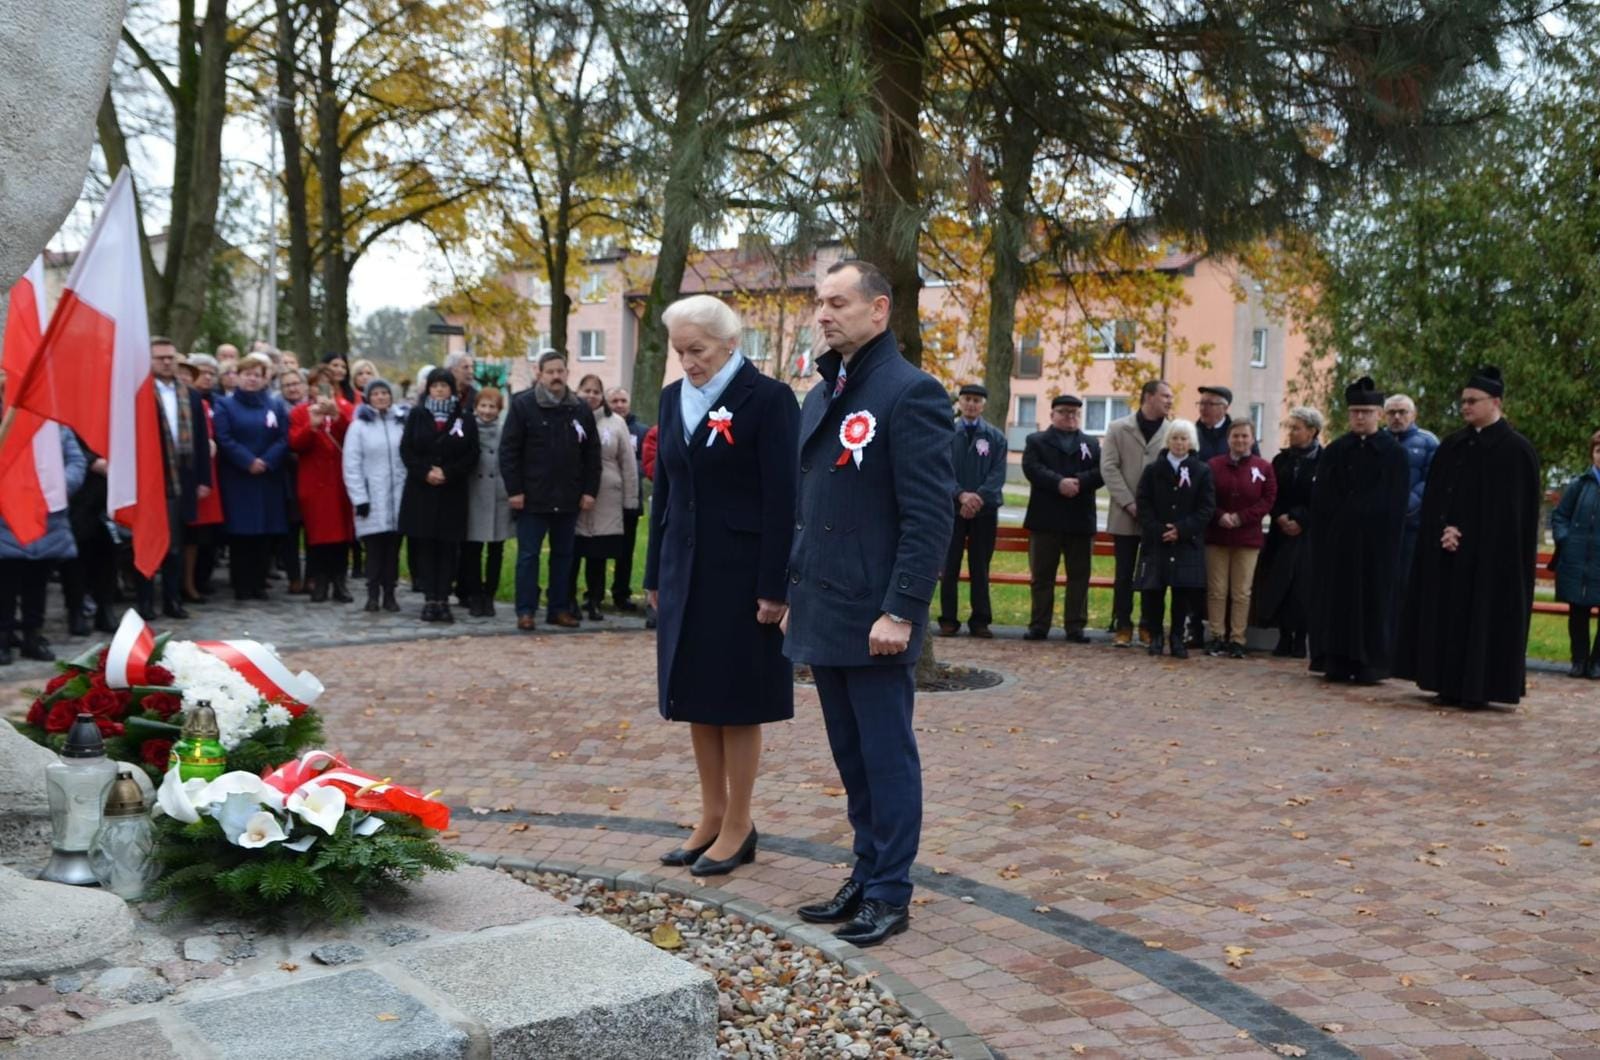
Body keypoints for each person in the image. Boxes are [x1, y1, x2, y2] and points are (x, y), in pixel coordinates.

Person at [785, 260, 954, 947]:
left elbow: (927, 514)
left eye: (838, 302)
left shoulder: (910, 392)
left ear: (879, 311)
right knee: (852, 757)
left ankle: (891, 890)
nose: (824, 314)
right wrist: (793, 590)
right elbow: (812, 506)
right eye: (819, 303)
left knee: (886, 756)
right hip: (826, 605)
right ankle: (865, 869)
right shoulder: (826, 392)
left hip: (876, 612)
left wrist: (903, 607)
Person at [644, 294, 799, 878]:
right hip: (685, 572)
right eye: (679, 351)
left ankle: (740, 821)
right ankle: (710, 815)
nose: (687, 362)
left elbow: (783, 498)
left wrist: (775, 585)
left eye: (698, 350)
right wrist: (655, 571)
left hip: (742, 575)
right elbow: (667, 492)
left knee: (737, 701)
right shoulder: (671, 398)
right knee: (695, 696)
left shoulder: (770, 399)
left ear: (731, 343)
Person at [1395, 367, 1541, 708]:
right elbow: (1437, 498)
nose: (1465, 407)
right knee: (1448, 616)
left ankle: (1481, 687)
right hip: (1447, 552)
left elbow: (1513, 515)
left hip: (1491, 560)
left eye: (1473, 401)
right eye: (1462, 401)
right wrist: (1444, 529)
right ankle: (1444, 681)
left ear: (1496, 402)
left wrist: (1469, 534)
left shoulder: (1516, 451)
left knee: (1482, 619)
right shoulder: (1453, 445)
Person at [1308, 377, 1409, 683]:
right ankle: (1335, 660)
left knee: (1372, 601)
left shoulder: (1394, 454)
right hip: (1338, 543)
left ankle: (1371, 663)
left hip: (1375, 545)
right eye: (1355, 412)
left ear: (1378, 414)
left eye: (1366, 411)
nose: (1360, 417)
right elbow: (1322, 498)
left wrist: (1368, 517)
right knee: (1336, 602)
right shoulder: (1336, 451)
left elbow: (1397, 501)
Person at [500, 351, 600, 631]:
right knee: (528, 556)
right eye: (551, 372)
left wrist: (590, 491)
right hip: (532, 497)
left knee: (563, 556)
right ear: (539, 374)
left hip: (568, 497)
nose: (556, 376)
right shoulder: (523, 405)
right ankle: (526, 610)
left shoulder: (579, 408)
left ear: (567, 373)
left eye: (561, 371)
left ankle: (558, 608)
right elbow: (509, 451)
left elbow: (592, 453)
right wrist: (515, 490)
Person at [137, 337, 212, 620]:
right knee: (147, 542)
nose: (167, 362)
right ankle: (146, 601)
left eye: (170, 357)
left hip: (181, 477)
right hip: (149, 477)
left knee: (176, 543)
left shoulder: (190, 394)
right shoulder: (140, 393)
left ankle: (173, 599)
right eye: (160, 358)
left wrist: (204, 478)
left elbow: (202, 441)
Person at [0, 420, 85, 665]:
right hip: (7, 517)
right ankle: (4, 637)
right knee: (5, 584)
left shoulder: (56, 426)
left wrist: (56, 486)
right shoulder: (7, 421)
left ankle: (32, 636)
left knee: (36, 584)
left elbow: (76, 462)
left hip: (48, 517)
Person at [1020, 394, 1102, 642]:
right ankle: (1039, 624)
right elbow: (1032, 468)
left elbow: (1101, 472)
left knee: (1079, 576)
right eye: (1065, 412)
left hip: (1080, 518)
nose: (1070, 417)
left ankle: (1075, 625)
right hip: (1046, 519)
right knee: (1042, 576)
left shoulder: (1091, 443)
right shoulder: (1036, 441)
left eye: (1075, 413)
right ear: (1052, 414)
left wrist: (1080, 481)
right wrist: (1059, 483)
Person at [399, 368, 479, 622]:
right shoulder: (417, 415)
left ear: (452, 389)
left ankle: (444, 598)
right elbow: (407, 450)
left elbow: (472, 454)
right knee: (425, 547)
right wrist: (425, 472)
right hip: (422, 492)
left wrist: (448, 472)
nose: (440, 390)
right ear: (428, 389)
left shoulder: (464, 418)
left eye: (445, 385)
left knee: (447, 548)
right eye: (435, 386)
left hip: (451, 492)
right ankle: (429, 598)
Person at [211, 353, 292, 600]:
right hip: (239, 478)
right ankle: (242, 584)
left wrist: (267, 461)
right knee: (242, 534)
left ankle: (260, 582)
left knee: (264, 534)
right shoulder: (226, 405)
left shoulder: (275, 405)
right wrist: (248, 461)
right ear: (237, 377)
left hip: (267, 478)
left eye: (257, 375)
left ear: (265, 379)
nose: (252, 380)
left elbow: (283, 437)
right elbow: (224, 438)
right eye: (247, 374)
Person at [1133, 419, 1215, 659]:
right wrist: (1159, 530)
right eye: (1175, 438)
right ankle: (1156, 636)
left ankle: (1177, 637)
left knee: (1182, 594)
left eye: (1184, 439)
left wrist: (1181, 529)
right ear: (1167, 441)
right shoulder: (1152, 470)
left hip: (1186, 542)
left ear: (1191, 443)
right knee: (1154, 593)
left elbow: (1206, 507)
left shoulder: (1202, 471)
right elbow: (1144, 503)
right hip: (1156, 541)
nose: (1179, 443)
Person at [1101, 380, 1173, 646]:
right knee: (1123, 574)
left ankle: (1148, 625)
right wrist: (1130, 504)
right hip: (1124, 515)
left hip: (1156, 518)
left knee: (1153, 574)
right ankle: (1123, 625)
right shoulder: (1118, 428)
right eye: (1165, 396)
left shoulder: (1170, 432)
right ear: (1149, 397)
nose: (1169, 401)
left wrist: (1153, 511)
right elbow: (1109, 468)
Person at [1251, 407, 1323, 658]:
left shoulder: (1324, 462)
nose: (1291, 433)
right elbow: (1271, 492)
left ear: (1312, 431)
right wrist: (1280, 516)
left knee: (1303, 586)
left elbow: (1324, 499)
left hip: (1309, 534)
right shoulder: (1281, 461)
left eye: (1296, 428)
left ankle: (1300, 636)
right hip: (1281, 531)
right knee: (1279, 583)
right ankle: (1283, 635)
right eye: (1289, 427)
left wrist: (1302, 520)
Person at [936, 383, 1007, 638]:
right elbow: (941, 470)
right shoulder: (946, 434)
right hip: (951, 509)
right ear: (960, 402)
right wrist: (960, 495)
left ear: (983, 405)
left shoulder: (995, 437)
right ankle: (948, 619)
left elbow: (998, 473)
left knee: (980, 566)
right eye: (967, 399)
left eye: (977, 400)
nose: (971, 404)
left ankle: (980, 620)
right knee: (949, 566)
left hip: (984, 512)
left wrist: (977, 498)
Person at [1204, 420, 1276, 658]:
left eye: (1245, 436)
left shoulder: (1263, 468)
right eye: (1236, 436)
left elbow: (1268, 499)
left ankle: (1237, 638)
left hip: (1247, 538)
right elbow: (1205, 496)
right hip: (1218, 536)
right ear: (1228, 439)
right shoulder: (1213, 466)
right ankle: (1216, 636)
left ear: (1252, 439)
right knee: (1217, 590)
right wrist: (1220, 515)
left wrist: (1242, 517)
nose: (1240, 440)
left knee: (1241, 592)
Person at [570, 373, 639, 621]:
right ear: (577, 391)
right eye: (586, 390)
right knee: (573, 551)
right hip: (575, 494)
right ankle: (568, 599)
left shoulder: (616, 423)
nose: (591, 395)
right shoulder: (569, 417)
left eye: (596, 391)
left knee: (597, 553)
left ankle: (594, 600)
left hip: (607, 497)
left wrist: (631, 501)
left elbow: (628, 464)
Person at [342, 377, 409, 612]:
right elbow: (352, 464)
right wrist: (359, 498)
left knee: (392, 551)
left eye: (385, 393)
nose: (381, 397)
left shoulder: (401, 422)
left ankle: (390, 594)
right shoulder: (359, 426)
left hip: (398, 497)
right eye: (376, 394)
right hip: (371, 498)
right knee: (374, 551)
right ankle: (372, 594)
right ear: (368, 398)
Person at [288, 380, 354, 602]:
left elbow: (352, 439)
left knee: (342, 536)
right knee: (317, 536)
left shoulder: (344, 410)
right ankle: (320, 581)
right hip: (313, 483)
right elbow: (295, 443)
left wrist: (338, 417)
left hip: (339, 482)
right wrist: (311, 425)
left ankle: (339, 582)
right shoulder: (300, 412)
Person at [1551, 429, 1600, 678]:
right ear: (1592, 453)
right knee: (1578, 614)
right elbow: (1560, 516)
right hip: (1578, 560)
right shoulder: (1579, 486)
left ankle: (1597, 662)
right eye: (1598, 450)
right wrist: (1565, 538)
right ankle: (1579, 660)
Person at [1384, 393, 1438, 611]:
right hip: (1381, 526)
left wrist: (1406, 504)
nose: (1397, 417)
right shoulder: (1378, 441)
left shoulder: (1429, 442)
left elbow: (1432, 479)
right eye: (1391, 412)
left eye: (1402, 412)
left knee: (1407, 584)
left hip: (1412, 526)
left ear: (1413, 414)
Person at [463, 386, 513, 617]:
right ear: (476, 407)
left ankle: (489, 595)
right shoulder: (466, 430)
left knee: (496, 549)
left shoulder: (505, 432)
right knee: (472, 550)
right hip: (474, 494)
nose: (487, 410)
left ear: (499, 409)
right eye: (483, 405)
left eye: (492, 406)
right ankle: (474, 595)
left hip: (498, 496)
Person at [179, 353, 225, 601]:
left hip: (203, 474)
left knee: (199, 537)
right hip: (179, 474)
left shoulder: (203, 404)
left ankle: (193, 581)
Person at [608, 387, 648, 611]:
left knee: (625, 550)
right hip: (606, 500)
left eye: (623, 400)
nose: (619, 405)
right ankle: (593, 593)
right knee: (600, 549)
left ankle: (621, 593)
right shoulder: (603, 426)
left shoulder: (640, 431)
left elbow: (646, 460)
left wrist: (628, 469)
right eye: (614, 400)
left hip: (630, 500)